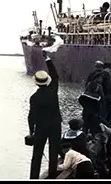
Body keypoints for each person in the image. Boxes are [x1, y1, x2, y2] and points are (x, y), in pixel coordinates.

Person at [28, 51, 62, 179]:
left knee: (37, 155)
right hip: (55, 125)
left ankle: (33, 177)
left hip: (41, 127)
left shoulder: (34, 98)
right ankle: (52, 175)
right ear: (47, 81)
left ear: (36, 82)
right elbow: (55, 75)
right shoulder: (53, 91)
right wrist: (47, 59)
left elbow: (31, 117)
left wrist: (31, 132)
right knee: (53, 152)